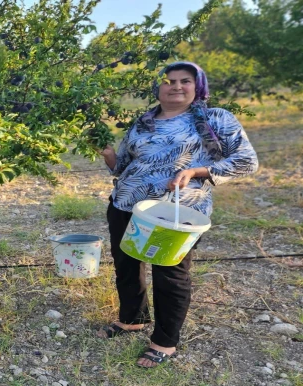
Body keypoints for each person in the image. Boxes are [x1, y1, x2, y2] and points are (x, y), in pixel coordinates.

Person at [97, 62, 258, 368]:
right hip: (126, 204)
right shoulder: (143, 121)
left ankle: (165, 341)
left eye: (185, 81)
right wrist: (108, 156)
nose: (176, 86)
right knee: (127, 264)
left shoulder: (215, 118)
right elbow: (123, 167)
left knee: (169, 272)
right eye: (169, 81)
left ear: (198, 86)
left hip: (178, 211)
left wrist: (198, 170)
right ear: (157, 87)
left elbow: (246, 161)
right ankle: (132, 319)